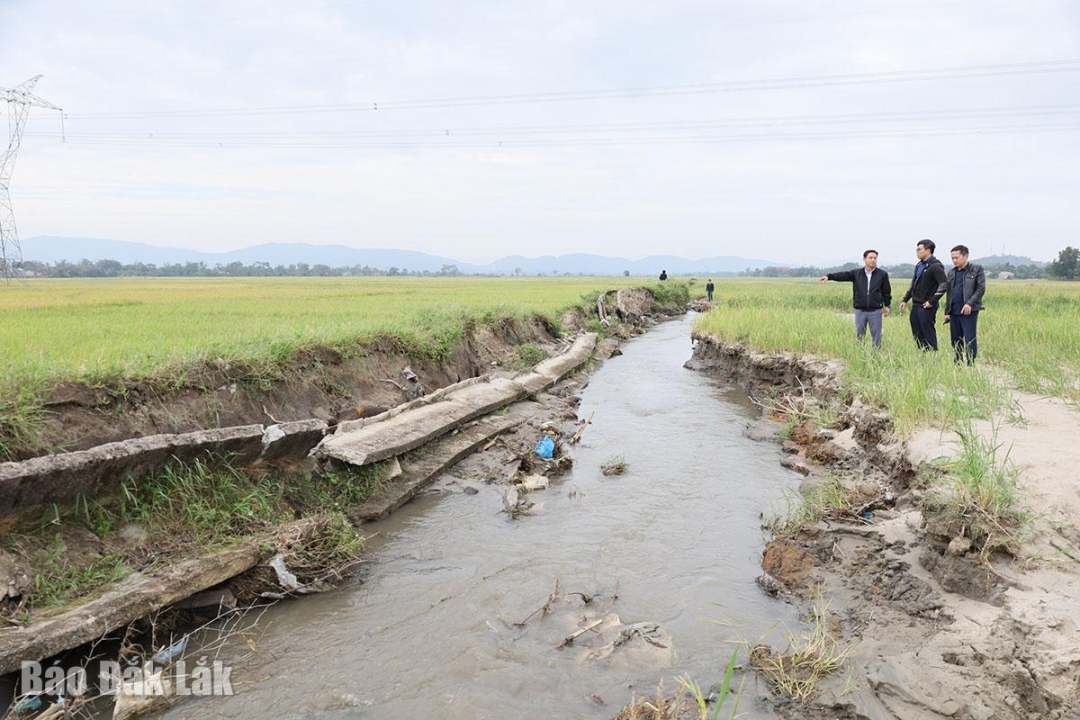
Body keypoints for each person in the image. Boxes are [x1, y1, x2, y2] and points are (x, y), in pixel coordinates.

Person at [818, 249, 892, 347]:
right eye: (870, 258)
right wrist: (829, 277)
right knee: (859, 335)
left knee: (876, 337)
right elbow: (843, 275)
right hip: (860, 310)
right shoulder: (856, 273)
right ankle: (859, 353)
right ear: (864, 259)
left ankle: (876, 354)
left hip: (875, 310)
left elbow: (886, 291)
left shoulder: (882, 274)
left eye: (875, 258)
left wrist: (887, 305)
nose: (873, 260)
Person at [899, 239, 948, 351]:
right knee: (916, 331)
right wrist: (905, 300)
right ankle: (922, 352)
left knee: (927, 330)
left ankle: (933, 352)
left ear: (928, 250)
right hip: (916, 304)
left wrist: (932, 301)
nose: (917, 252)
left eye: (919, 249)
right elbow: (913, 283)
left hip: (927, 305)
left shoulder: (936, 266)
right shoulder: (919, 265)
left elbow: (944, 285)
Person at [943, 245, 986, 365]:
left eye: (957, 257)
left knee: (969, 339)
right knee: (955, 340)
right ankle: (958, 363)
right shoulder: (952, 273)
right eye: (952, 258)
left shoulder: (976, 270)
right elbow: (949, 293)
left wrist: (969, 304)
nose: (954, 260)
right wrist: (947, 312)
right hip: (954, 311)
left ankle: (970, 364)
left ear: (966, 256)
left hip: (969, 311)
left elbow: (981, 288)